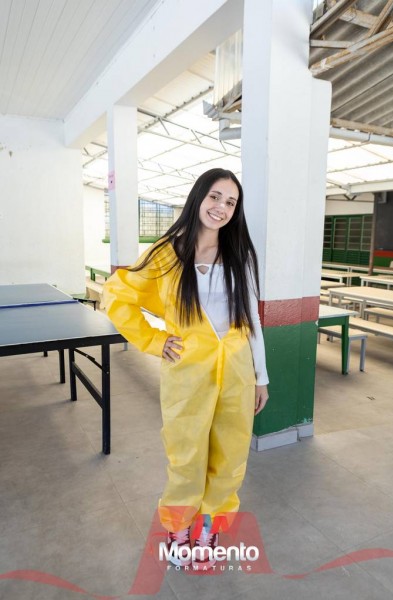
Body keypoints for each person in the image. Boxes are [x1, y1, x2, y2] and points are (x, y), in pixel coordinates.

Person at [103, 168, 269, 569]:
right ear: (199, 197)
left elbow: (251, 319)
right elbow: (117, 297)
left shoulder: (240, 254)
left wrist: (260, 377)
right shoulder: (167, 253)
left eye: (230, 202)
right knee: (186, 455)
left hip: (236, 371)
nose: (221, 207)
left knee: (230, 455)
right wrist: (155, 340)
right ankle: (178, 528)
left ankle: (209, 526)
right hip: (187, 372)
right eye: (215, 196)